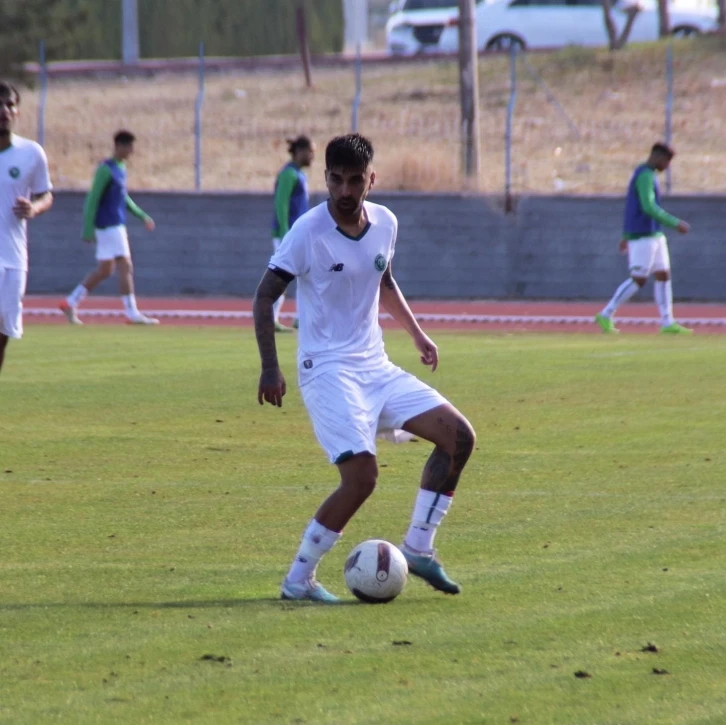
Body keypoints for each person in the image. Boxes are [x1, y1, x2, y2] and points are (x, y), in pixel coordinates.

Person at [253, 133, 476, 603]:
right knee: (362, 477)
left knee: (459, 438)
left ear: (371, 180)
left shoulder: (386, 223)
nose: (346, 190)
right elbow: (264, 295)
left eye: (356, 180)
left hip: (375, 365)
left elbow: (384, 279)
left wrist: (417, 334)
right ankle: (298, 580)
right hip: (326, 369)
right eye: (337, 180)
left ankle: (418, 547)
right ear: (327, 180)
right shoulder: (308, 232)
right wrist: (270, 367)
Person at [59, 130, 158, 325]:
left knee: (105, 270)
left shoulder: (121, 168)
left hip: (115, 225)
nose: (132, 151)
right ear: (120, 146)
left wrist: (141, 215)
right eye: (129, 147)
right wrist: (87, 229)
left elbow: (123, 198)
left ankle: (70, 302)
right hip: (109, 225)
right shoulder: (106, 169)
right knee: (125, 266)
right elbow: (92, 199)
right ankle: (131, 313)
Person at [595, 142, 692, 335]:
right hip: (643, 235)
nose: (667, 167)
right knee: (638, 279)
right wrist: (674, 223)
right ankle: (606, 314)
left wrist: (624, 235)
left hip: (654, 234)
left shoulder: (649, 175)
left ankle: (667, 322)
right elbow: (647, 207)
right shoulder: (645, 175)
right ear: (657, 157)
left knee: (663, 275)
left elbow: (632, 207)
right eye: (667, 161)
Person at [0, 81, 53, 374]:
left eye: (9, 104)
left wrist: (33, 207)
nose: (4, 111)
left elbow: (46, 194)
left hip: (14, 257)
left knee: (4, 333)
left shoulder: (31, 153)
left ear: (17, 111)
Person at [270, 135, 315, 332]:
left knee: (306, 276)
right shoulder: (289, 174)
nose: (313, 156)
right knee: (282, 275)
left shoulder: (300, 174)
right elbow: (281, 204)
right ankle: (269, 319)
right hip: (287, 234)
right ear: (300, 152)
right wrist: (286, 233)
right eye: (310, 151)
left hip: (300, 235)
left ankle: (300, 318)